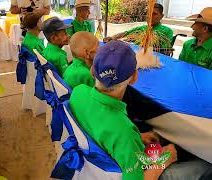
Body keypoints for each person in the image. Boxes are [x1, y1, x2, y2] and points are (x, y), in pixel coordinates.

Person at [69, 40, 178, 180]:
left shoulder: (78, 92)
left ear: (92, 71)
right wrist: (165, 159)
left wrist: (136, 138)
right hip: (124, 161)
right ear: (134, 78)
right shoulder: (124, 131)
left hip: (96, 159)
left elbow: (105, 128)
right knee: (201, 168)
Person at [103, 3, 173, 53]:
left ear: (162, 16)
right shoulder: (142, 28)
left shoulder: (167, 31)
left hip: (153, 60)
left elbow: (165, 51)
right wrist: (113, 37)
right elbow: (126, 33)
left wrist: (146, 49)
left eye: (154, 14)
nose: (150, 16)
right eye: (149, 13)